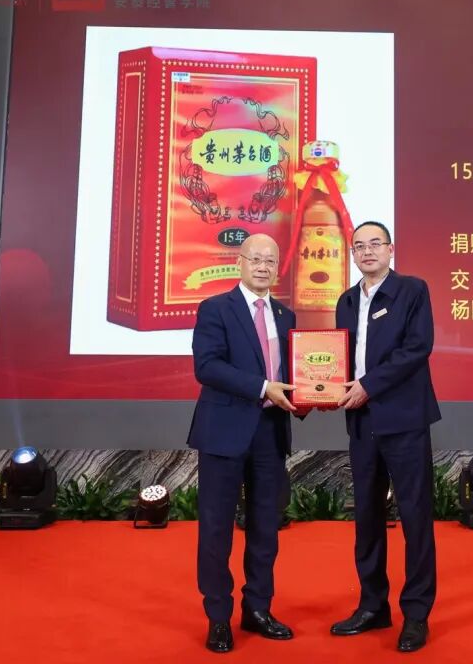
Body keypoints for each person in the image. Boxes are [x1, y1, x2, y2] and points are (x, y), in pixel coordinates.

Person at [330, 221, 440, 653]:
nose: (367, 251)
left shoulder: (412, 290)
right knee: (367, 516)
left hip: (404, 419)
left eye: (375, 243)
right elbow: (338, 358)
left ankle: (416, 613)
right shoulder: (345, 300)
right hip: (361, 421)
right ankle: (373, 605)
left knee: (415, 516)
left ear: (391, 249)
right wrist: (323, 388)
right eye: (359, 246)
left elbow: (417, 349)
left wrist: (368, 385)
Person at [188, 233, 298, 654]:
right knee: (216, 529)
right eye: (256, 259)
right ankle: (218, 616)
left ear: (278, 267)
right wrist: (263, 387)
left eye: (270, 261)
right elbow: (207, 366)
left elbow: (295, 371)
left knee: (266, 527)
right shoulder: (215, 308)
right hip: (223, 431)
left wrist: (314, 394)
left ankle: (258, 609)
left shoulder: (286, 315)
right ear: (240, 262)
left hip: (270, 433)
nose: (263, 267)